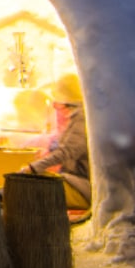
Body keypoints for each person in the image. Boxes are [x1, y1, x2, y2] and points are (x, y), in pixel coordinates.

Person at [21, 73, 91, 208]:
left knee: (27, 190)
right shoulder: (77, 116)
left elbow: (67, 151)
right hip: (75, 181)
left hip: (82, 187)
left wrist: (34, 167)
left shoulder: (81, 118)